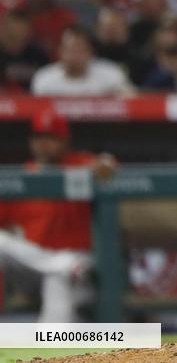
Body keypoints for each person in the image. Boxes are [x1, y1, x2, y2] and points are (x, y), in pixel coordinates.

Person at [0, 109, 117, 321]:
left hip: (78, 264)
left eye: (50, 138)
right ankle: (61, 263)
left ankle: (51, 351)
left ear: (65, 140)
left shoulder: (81, 165)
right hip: (32, 267)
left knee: (58, 282)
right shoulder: (22, 176)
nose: (43, 144)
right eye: (38, 138)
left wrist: (105, 163)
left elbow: (108, 166)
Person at [31, 25, 136, 97]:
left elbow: (132, 101)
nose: (74, 54)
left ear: (90, 52)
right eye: (70, 49)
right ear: (60, 52)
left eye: (80, 49)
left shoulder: (111, 74)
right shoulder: (45, 78)